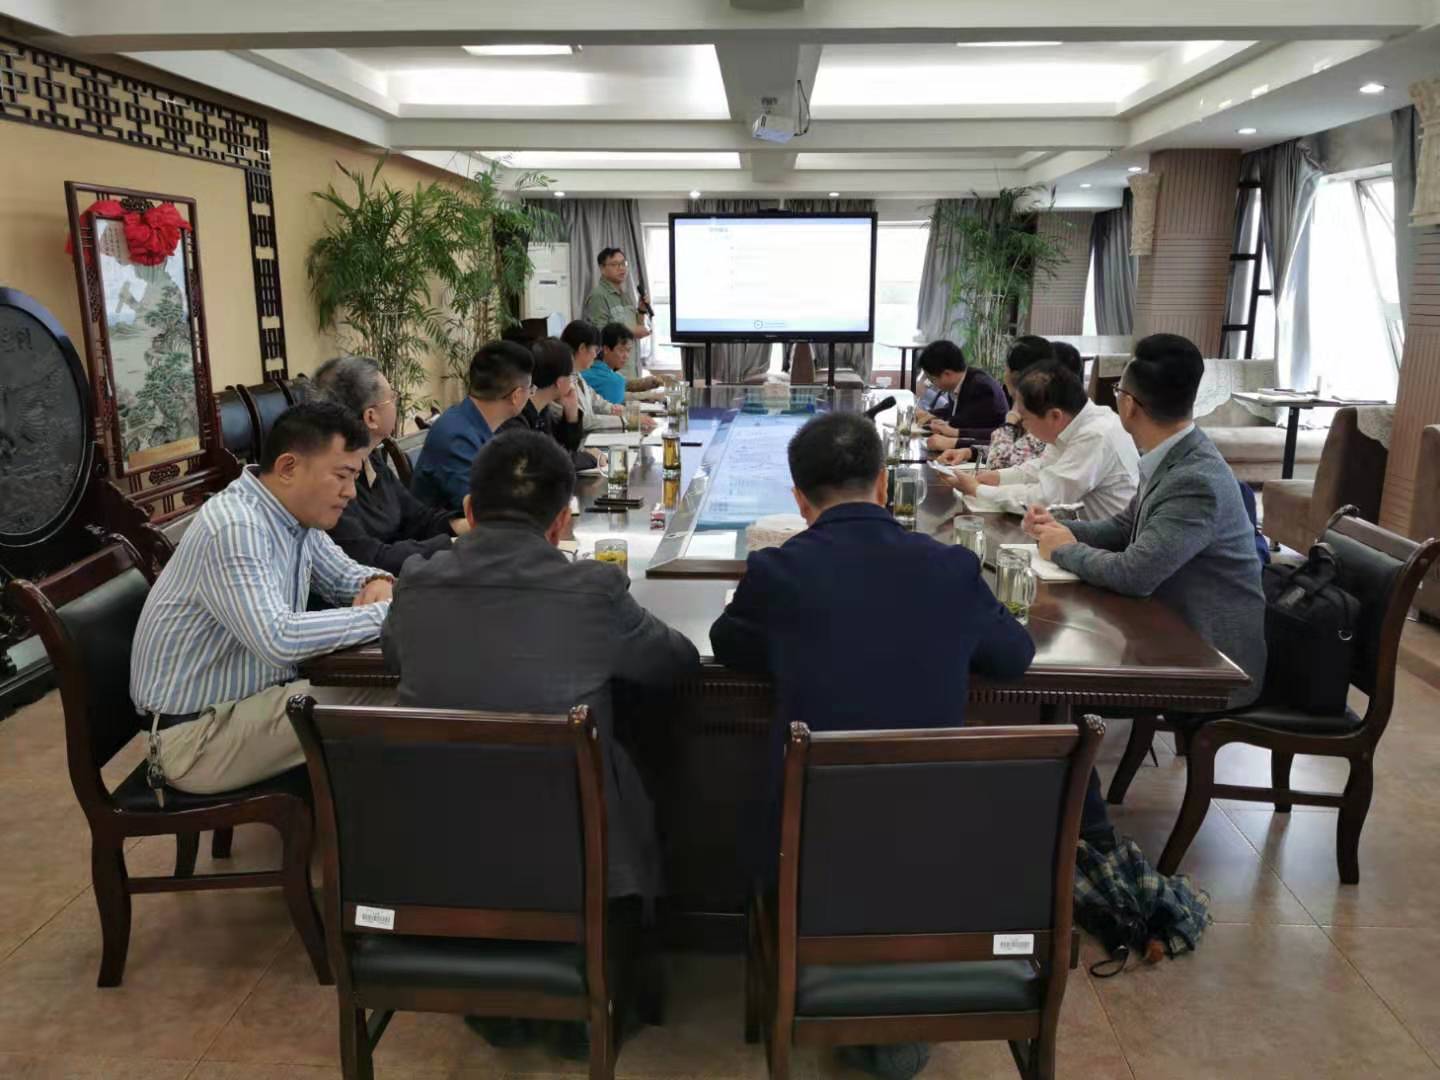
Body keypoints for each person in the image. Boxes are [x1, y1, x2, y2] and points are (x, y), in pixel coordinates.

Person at [710, 411, 1034, 1080]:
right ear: (884, 485)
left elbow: (729, 644)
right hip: (936, 837)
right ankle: (896, 1009)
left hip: (807, 840)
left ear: (800, 498)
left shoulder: (779, 571)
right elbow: (1013, 656)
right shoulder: (950, 567)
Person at [130, 401, 394, 796]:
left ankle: (361, 815)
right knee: (393, 691)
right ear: (288, 467)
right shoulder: (237, 526)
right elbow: (279, 638)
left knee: (389, 685)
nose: (350, 493)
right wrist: (391, 614)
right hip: (196, 738)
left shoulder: (293, 516)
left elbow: (344, 577)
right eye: (342, 476)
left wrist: (377, 580)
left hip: (245, 709)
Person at [1029, 332, 1267, 707]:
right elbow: (1124, 529)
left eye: (1118, 391)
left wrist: (1063, 550)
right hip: (1170, 627)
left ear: (1129, 405)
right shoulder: (1173, 452)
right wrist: (1059, 528)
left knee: (1053, 666)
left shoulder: (1195, 480)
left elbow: (1134, 575)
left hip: (1212, 663)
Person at [311, 355, 465, 575]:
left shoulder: (371, 457)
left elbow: (416, 518)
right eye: (392, 397)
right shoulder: (329, 483)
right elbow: (371, 559)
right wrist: (452, 544)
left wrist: (463, 525)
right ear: (371, 417)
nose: (396, 402)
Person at [938, 361, 1139, 521]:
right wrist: (998, 477)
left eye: (1025, 418)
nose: (1023, 425)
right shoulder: (1074, 423)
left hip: (1111, 549)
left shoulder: (1095, 435)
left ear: (1055, 416)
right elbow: (1043, 466)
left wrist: (978, 490)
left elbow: (1045, 499)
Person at [410, 340, 533, 514]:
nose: (531, 394)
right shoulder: (457, 438)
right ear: (517, 395)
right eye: (530, 389)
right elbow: (485, 510)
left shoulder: (471, 420)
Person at [929, 335, 1054, 465]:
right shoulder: (1030, 405)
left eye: (1005, 368)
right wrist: (970, 452)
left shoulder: (1039, 415)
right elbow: (1013, 450)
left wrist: (1010, 423)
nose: (1004, 375)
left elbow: (1000, 460)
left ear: (1016, 376)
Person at [499, 337, 602, 472]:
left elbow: (566, 448)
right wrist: (591, 458)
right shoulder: (516, 415)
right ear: (560, 382)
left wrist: (571, 414)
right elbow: (548, 462)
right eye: (571, 375)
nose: (573, 382)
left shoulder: (542, 411)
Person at [583, 246, 663, 388]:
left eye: (623, 263)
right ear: (602, 268)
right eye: (615, 264)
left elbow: (636, 327)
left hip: (631, 368)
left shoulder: (625, 295)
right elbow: (599, 334)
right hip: (613, 375)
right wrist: (633, 332)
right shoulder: (598, 296)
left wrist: (641, 311)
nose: (621, 268)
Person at [912, 340, 1008, 442]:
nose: (932, 384)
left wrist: (932, 419)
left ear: (947, 374)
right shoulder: (961, 381)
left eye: (932, 379)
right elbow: (953, 411)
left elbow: (964, 424)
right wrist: (929, 415)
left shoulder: (982, 388)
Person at [562, 319, 625, 432]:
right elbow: (583, 420)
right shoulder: (563, 381)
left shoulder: (577, 375)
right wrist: (623, 420)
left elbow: (596, 400)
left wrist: (614, 409)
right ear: (582, 348)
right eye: (595, 350)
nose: (595, 356)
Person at [583, 321, 636, 406]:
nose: (626, 356)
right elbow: (616, 412)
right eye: (621, 350)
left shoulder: (583, 370)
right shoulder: (616, 381)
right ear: (606, 349)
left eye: (628, 350)